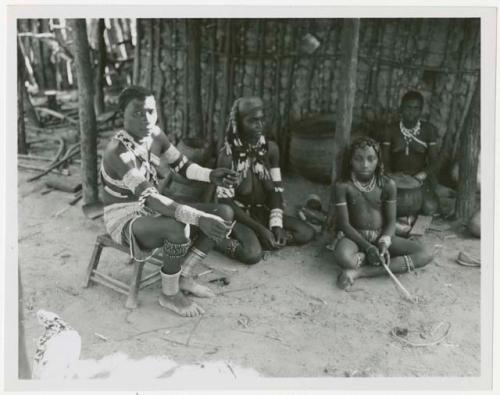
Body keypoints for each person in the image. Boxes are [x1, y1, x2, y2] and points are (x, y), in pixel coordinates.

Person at [101, 86, 239, 317]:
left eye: (150, 111)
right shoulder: (118, 152)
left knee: (223, 212)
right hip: (125, 217)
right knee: (178, 227)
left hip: (151, 208)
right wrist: (198, 217)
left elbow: (182, 165)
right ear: (121, 115)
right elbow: (150, 197)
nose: (146, 119)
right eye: (137, 113)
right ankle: (169, 294)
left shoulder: (155, 135)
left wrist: (210, 175)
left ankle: (183, 275)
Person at [214, 96, 314, 264]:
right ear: (239, 123)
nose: (259, 125)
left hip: (261, 211)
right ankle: (218, 241)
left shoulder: (271, 149)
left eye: (261, 119)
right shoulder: (228, 157)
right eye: (253, 120)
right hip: (238, 216)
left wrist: (276, 225)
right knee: (252, 254)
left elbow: (276, 189)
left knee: (306, 233)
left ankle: (267, 238)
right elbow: (226, 203)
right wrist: (260, 229)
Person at [332, 137, 432, 290]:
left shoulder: (387, 184)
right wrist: (368, 248)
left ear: (378, 161)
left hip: (381, 235)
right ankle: (368, 260)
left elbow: (391, 221)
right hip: (355, 236)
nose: (365, 164)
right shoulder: (343, 186)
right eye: (358, 159)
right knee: (344, 257)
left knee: (425, 254)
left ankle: (360, 273)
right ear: (350, 161)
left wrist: (384, 243)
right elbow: (344, 224)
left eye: (370, 159)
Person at [381, 90, 440, 216]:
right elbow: (384, 160)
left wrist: (422, 175)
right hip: (396, 178)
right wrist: (391, 177)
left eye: (416, 108)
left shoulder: (428, 130)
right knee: (386, 207)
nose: (411, 112)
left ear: (421, 110)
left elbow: (435, 162)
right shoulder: (390, 129)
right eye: (408, 107)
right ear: (401, 108)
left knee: (430, 209)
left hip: (419, 179)